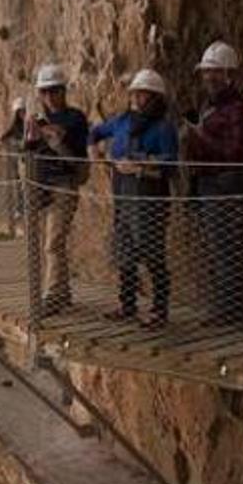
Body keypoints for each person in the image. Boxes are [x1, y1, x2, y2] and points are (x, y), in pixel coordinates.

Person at [183, 41, 243, 329]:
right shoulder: (212, 106)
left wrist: (199, 137)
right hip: (213, 184)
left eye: (215, 72)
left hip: (228, 185)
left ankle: (231, 314)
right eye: (207, 73)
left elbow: (236, 152)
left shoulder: (235, 109)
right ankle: (230, 311)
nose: (209, 78)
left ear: (228, 74)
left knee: (228, 249)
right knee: (224, 249)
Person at [89, 69, 178, 329]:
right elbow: (94, 132)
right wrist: (94, 153)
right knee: (125, 249)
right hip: (123, 193)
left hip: (150, 196)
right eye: (136, 93)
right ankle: (127, 305)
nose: (138, 98)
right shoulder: (122, 121)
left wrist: (142, 166)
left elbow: (172, 162)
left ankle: (160, 311)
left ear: (155, 98)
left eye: (144, 94)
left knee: (152, 252)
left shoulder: (164, 128)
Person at [24, 63, 89, 317]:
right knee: (51, 243)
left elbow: (76, 157)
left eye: (54, 91)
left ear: (63, 91)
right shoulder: (41, 120)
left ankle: (52, 296)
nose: (49, 97)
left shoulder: (75, 118)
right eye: (45, 92)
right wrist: (31, 138)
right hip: (42, 185)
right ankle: (62, 293)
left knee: (53, 242)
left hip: (64, 183)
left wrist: (56, 139)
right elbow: (28, 153)